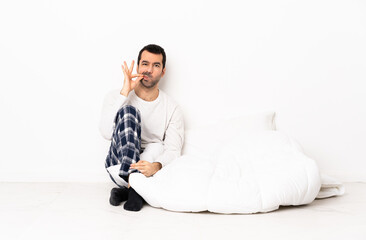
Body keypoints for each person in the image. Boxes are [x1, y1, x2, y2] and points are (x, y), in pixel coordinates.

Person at [99, 44, 185, 211]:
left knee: (156, 146)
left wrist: (156, 165)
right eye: (145, 64)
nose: (148, 70)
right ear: (138, 66)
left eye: (156, 65)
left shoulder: (172, 108)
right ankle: (136, 188)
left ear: (163, 71)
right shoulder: (116, 96)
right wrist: (125, 92)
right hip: (119, 166)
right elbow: (105, 133)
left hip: (150, 169)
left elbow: (173, 150)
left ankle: (128, 191)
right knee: (129, 112)